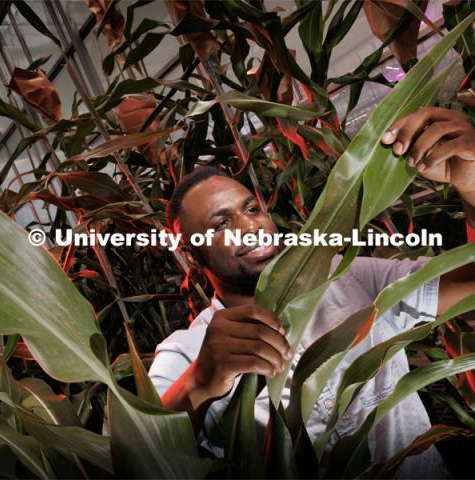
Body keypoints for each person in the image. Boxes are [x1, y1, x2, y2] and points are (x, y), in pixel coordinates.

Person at [149, 107, 475, 478]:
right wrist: (199, 382)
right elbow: (137, 459)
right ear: (192, 255)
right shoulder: (187, 351)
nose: (250, 226)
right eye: (222, 223)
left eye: (251, 208)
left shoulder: (345, 275)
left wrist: (471, 182)